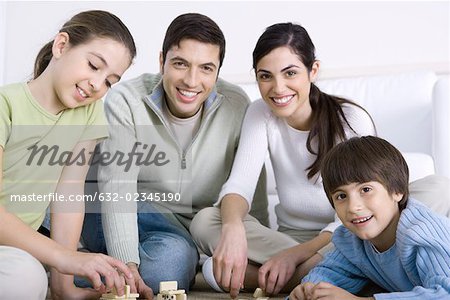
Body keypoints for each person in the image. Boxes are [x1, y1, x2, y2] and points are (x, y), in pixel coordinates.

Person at [190, 21, 449, 298]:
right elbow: (239, 185)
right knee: (206, 221)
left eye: (290, 73)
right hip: (291, 237)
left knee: (438, 187)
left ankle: (291, 273)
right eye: (265, 76)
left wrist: (296, 256)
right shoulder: (260, 114)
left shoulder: (350, 118)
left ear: (313, 70)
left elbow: (365, 203)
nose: (278, 88)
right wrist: (232, 230)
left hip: (351, 232)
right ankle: (341, 274)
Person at [80, 12, 268, 296]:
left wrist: (254, 247)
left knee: (168, 270)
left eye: (206, 68)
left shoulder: (237, 104)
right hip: (128, 205)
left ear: (217, 71)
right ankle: (73, 260)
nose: (192, 81)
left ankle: (81, 264)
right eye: (181, 64)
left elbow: (251, 179)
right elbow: (117, 186)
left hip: (183, 231)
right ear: (162, 62)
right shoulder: (127, 99)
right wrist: (127, 265)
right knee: (161, 270)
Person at [0, 10, 137, 300]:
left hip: (13, 251)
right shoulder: (5, 105)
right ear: (61, 46)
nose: (98, 85)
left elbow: (69, 193)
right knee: (26, 279)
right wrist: (66, 258)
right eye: (93, 65)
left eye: (110, 81)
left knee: (26, 277)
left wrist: (64, 286)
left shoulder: (89, 111)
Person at [289, 136, 450, 300]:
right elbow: (330, 271)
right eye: (341, 196)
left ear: (397, 191)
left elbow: (445, 293)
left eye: (365, 190)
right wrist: (309, 289)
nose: (353, 207)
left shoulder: (421, 233)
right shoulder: (351, 240)